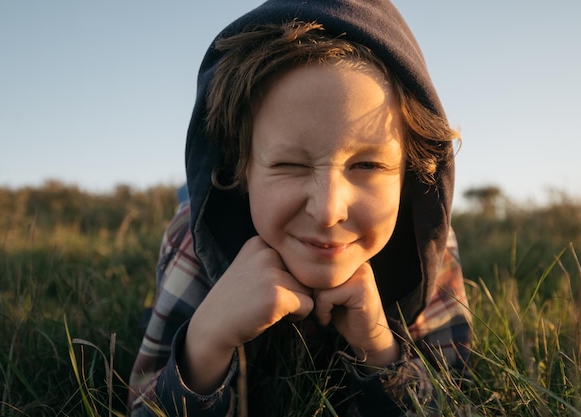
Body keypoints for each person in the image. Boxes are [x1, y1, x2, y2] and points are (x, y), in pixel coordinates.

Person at [128, 0, 471, 415]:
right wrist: (204, 344)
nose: (328, 211)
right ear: (242, 169)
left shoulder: (427, 240)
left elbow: (455, 398)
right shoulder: (195, 239)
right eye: (289, 165)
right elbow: (145, 405)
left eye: (368, 165)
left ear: (410, 175)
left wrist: (380, 348)